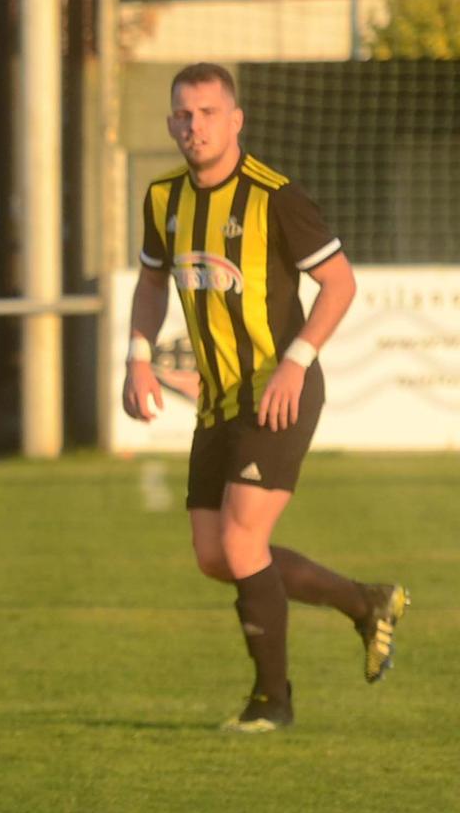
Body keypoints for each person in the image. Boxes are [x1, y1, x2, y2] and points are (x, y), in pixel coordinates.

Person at [123, 62, 407, 733]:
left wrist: (296, 362)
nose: (194, 126)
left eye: (208, 113)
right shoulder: (163, 197)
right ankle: (364, 602)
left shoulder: (276, 197)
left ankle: (271, 702)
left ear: (236, 120)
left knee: (243, 538)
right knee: (216, 555)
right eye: (183, 115)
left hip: (279, 393)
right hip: (218, 400)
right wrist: (137, 358)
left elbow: (339, 285)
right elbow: (150, 281)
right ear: (171, 123)